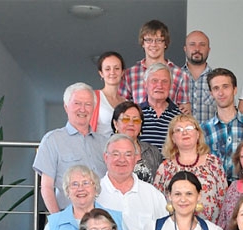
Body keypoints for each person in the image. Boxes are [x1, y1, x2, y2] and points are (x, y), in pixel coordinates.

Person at [95, 134, 168, 230]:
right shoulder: (94, 194)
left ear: (136, 158)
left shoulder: (153, 195)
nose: (122, 159)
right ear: (105, 157)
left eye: (128, 154)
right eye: (116, 154)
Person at [33, 82, 108, 213]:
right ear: (66, 107)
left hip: (102, 218)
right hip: (69, 216)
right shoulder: (52, 140)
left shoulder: (105, 143)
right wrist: (59, 219)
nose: (83, 109)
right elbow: (46, 187)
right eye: (77, 103)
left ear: (94, 108)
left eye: (88, 104)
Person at [152, 114, 228, 223]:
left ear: (198, 134)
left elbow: (224, 201)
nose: (184, 133)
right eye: (178, 130)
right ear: (173, 138)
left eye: (189, 128)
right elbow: (157, 205)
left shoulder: (214, 163)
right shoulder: (164, 168)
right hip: (173, 229)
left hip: (210, 229)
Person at [200, 67, 243, 183]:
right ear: (211, 93)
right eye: (216, 88)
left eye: (225, 87)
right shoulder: (204, 129)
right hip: (215, 188)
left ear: (235, 90)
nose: (221, 93)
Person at [119, 19, 191, 115]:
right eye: (149, 40)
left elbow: (184, 113)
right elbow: (122, 110)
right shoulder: (129, 74)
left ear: (165, 44)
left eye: (159, 40)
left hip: (169, 124)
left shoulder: (180, 75)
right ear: (143, 43)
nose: (153, 44)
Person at [110, 101, 162, 183]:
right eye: (126, 119)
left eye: (136, 120)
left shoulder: (152, 151)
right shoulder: (106, 149)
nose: (131, 123)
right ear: (115, 123)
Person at [138, 63, 183, 153]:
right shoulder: (135, 113)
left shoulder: (180, 117)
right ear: (145, 84)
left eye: (165, 81)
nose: (160, 86)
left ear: (170, 86)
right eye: (154, 81)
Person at [181, 30, 217, 123]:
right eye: (192, 44)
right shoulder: (174, 78)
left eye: (202, 45)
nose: (197, 49)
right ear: (185, 48)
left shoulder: (217, 80)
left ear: (209, 50)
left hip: (209, 132)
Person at [92, 51, 126, 137]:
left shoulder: (126, 102)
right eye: (107, 69)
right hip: (98, 145)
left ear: (122, 72)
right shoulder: (93, 97)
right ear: (101, 73)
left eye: (117, 68)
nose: (112, 72)